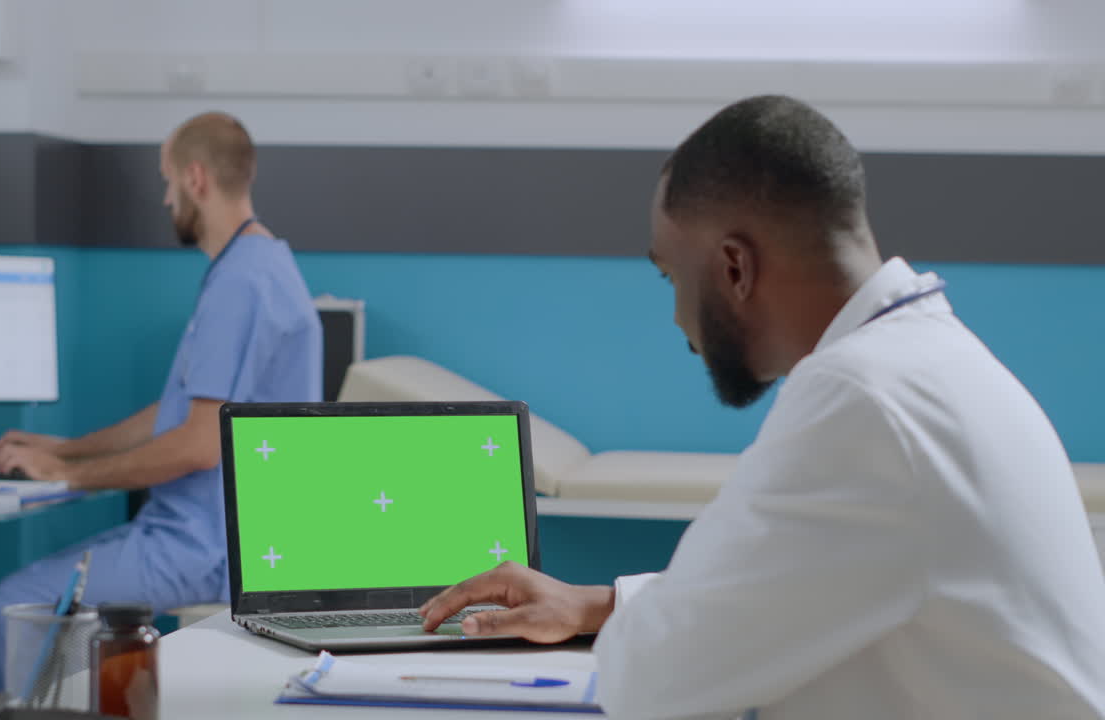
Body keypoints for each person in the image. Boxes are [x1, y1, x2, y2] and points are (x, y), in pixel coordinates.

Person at [420, 96, 1105, 718]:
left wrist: (633, 631)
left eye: (671, 276)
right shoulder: (931, 361)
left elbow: (654, 682)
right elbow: (815, 579)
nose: (678, 317)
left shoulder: (861, 400)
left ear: (735, 268)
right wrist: (601, 604)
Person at [0, 112, 322, 692]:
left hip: (207, 548)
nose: (166, 199)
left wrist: (65, 476)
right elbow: (178, 414)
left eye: (167, 181)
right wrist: (69, 450)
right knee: (56, 595)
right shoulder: (262, 264)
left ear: (195, 178)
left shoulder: (240, 284)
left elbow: (198, 445)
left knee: (14, 603)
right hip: (202, 532)